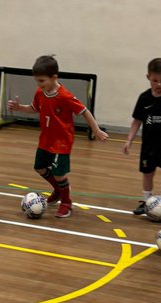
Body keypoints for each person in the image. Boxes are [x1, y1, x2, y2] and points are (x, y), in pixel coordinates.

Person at [7, 54, 108, 218]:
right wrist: (19, 107)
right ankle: (59, 190)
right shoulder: (40, 92)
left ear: (54, 77)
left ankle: (67, 202)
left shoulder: (65, 96)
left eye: (42, 81)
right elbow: (34, 108)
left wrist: (96, 130)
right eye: (37, 81)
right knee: (39, 167)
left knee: (59, 174)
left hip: (61, 142)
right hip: (46, 139)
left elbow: (84, 111)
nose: (39, 84)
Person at [122, 56, 161, 217]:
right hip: (149, 145)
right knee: (148, 173)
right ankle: (147, 201)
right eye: (155, 80)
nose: (159, 84)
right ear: (148, 77)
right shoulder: (144, 98)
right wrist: (129, 139)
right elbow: (137, 120)